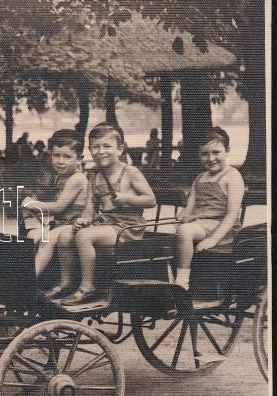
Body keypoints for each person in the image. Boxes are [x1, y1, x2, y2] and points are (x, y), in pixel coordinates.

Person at [54, 122, 157, 305]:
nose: (101, 151)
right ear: (90, 150)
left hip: (127, 227)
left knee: (84, 236)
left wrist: (127, 198)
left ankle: (87, 287)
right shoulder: (94, 176)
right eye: (95, 147)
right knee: (65, 235)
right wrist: (83, 220)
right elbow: (89, 207)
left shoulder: (130, 172)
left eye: (107, 146)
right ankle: (66, 283)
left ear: (120, 149)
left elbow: (150, 200)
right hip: (105, 224)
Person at [173, 127, 244, 290]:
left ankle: (182, 281)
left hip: (222, 228)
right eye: (204, 154)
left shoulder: (232, 176)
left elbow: (232, 214)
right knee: (178, 230)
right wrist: (183, 215)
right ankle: (170, 276)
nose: (211, 158)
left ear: (227, 150)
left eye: (216, 152)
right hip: (202, 225)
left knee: (185, 231)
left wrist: (213, 239)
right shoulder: (199, 178)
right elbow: (189, 208)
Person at [21, 129, 87, 279]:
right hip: (62, 224)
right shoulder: (60, 177)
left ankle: (28, 279)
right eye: (56, 155)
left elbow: (58, 207)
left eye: (67, 156)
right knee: (32, 238)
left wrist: (32, 204)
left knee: (48, 239)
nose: (60, 161)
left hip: (75, 225)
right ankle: (33, 275)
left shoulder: (77, 179)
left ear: (79, 159)